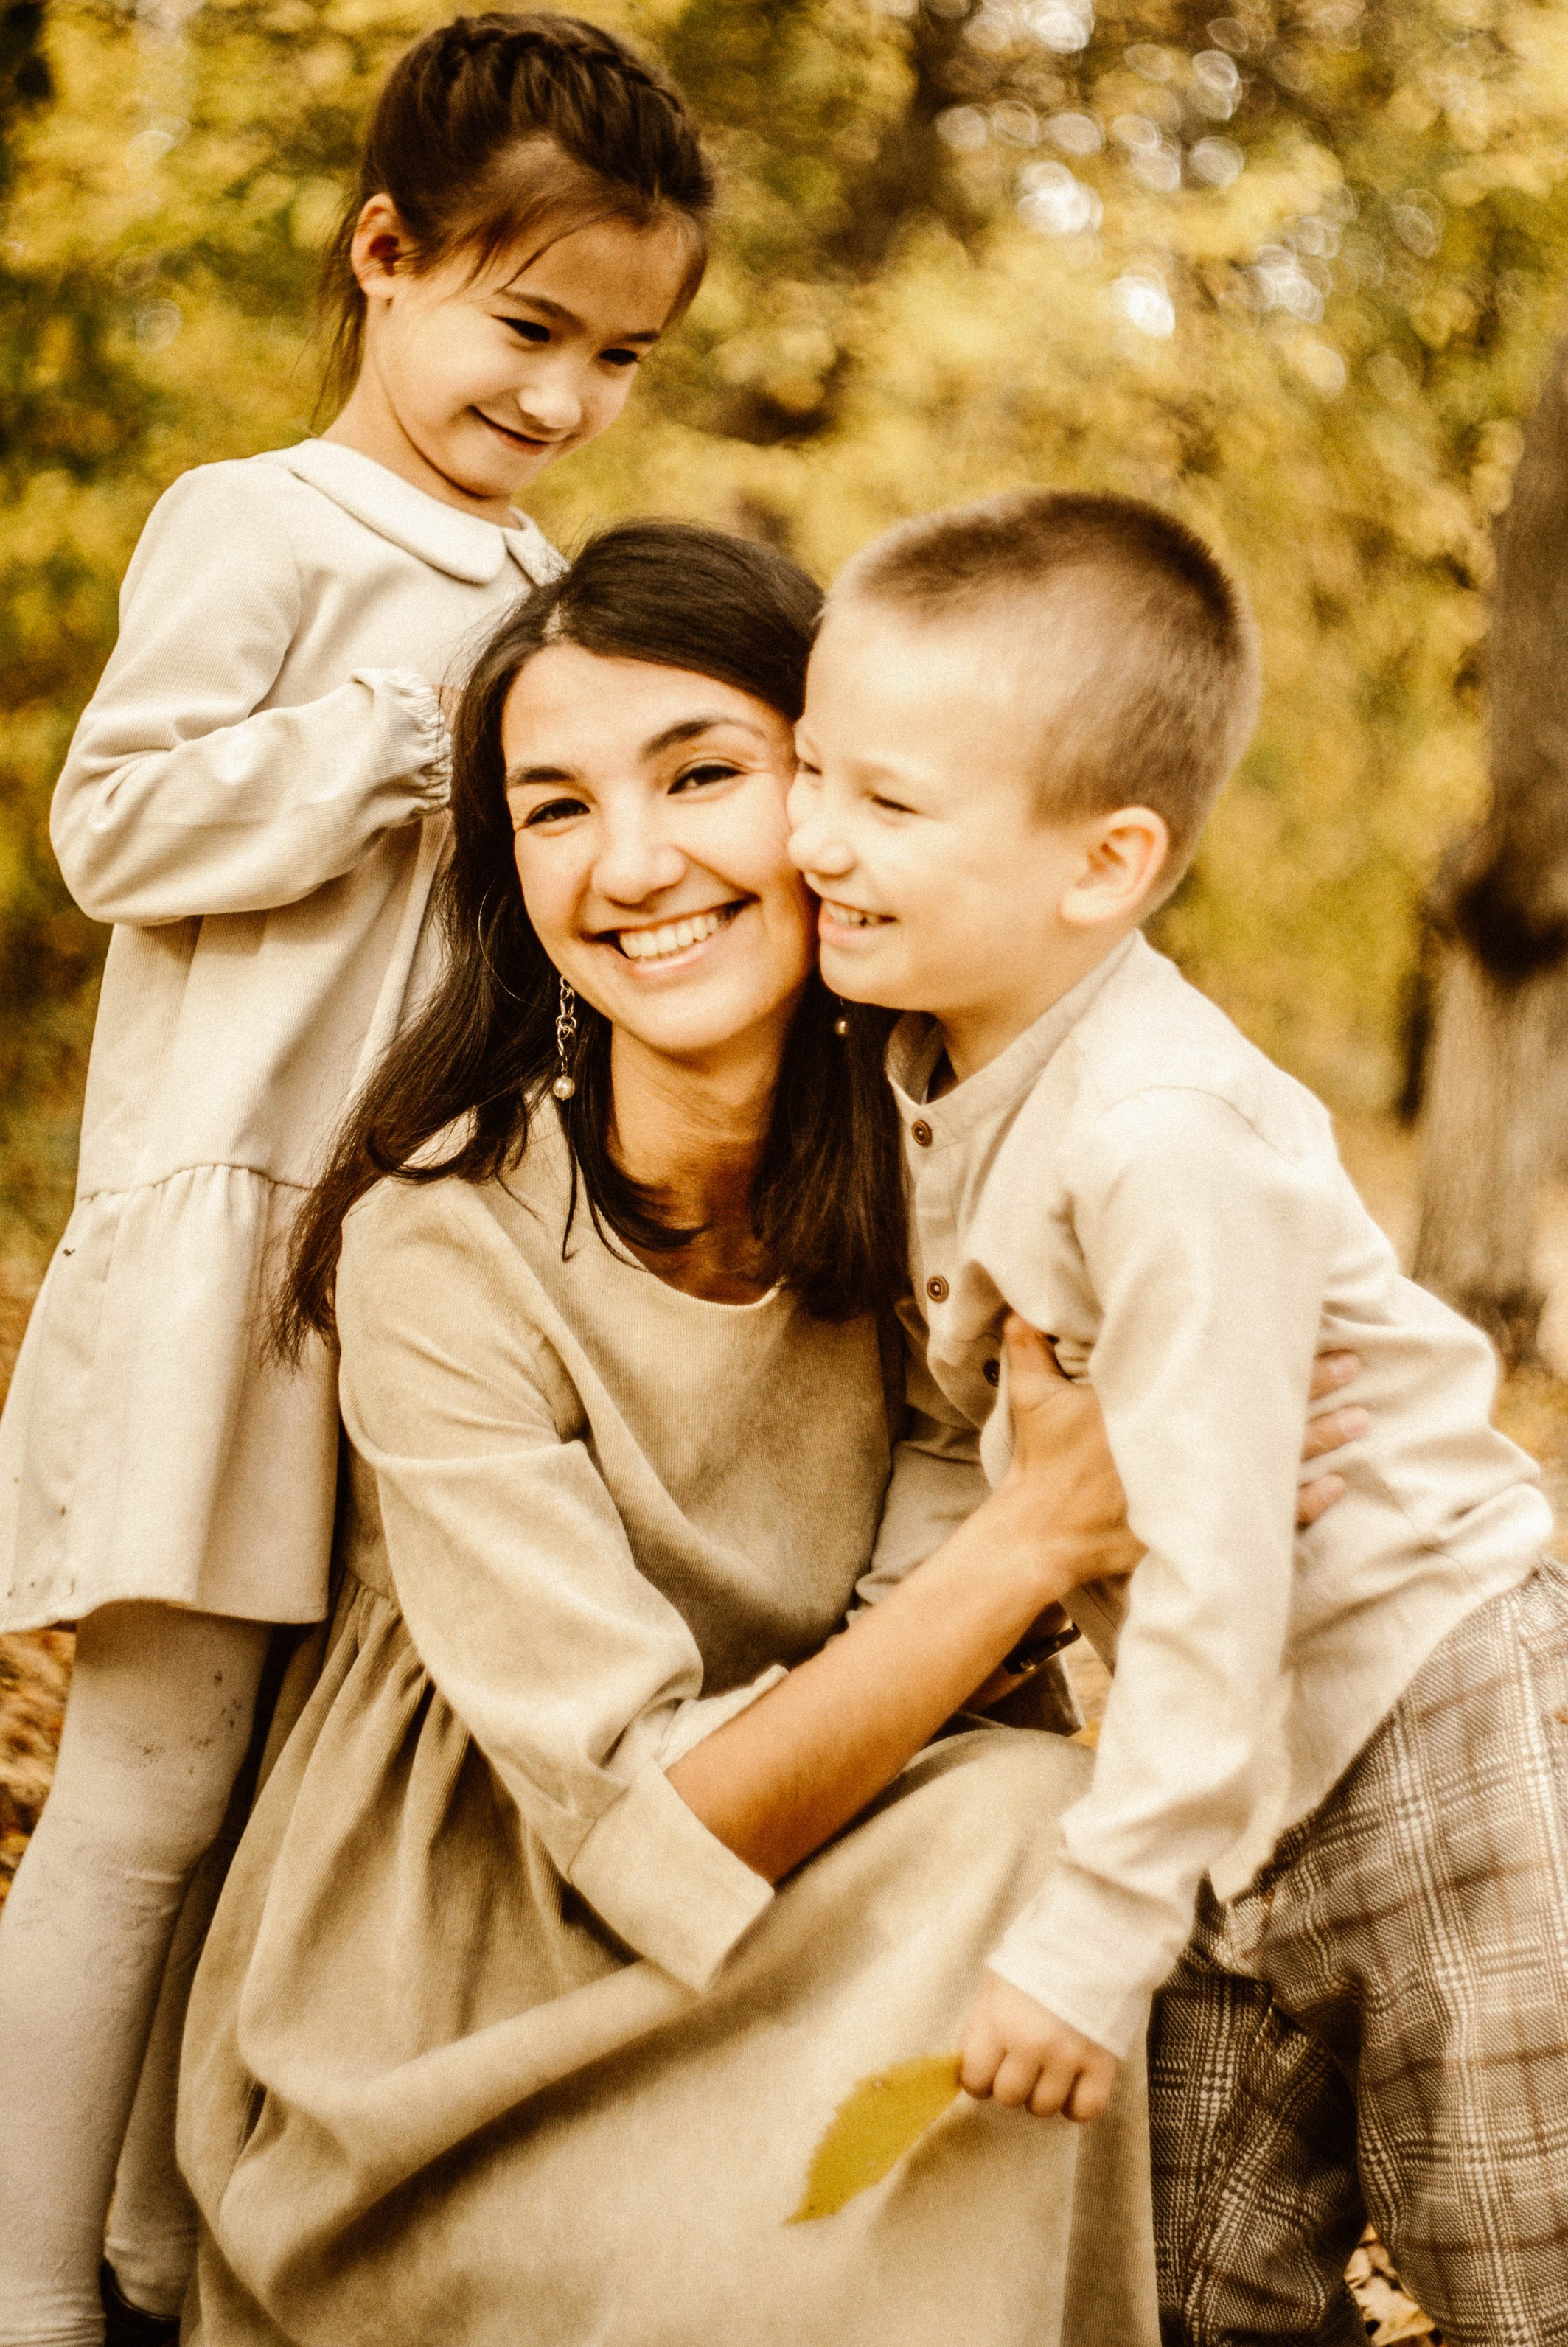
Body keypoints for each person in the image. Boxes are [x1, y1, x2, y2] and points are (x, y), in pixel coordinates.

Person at [175, 522, 1359, 2347]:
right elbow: (643, 1824)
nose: (630, 862)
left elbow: (966, 1671)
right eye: (551, 808)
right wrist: (1034, 1539)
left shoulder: (953, 1169)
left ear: (834, 805)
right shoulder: (448, 1239)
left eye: (702, 774)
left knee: (1063, 1831)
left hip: (839, 1870)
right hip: (476, 1982)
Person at [0, 16, 715, 2347]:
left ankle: (181, 2257)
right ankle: (24, 2301)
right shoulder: (258, 522)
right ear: (385, 258)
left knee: (302, 1814)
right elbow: (117, 823)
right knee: (150, 1800)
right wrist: (425, 721)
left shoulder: (555, 574)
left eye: (620, 355)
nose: (566, 395)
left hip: (430, 1275)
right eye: (527, 328)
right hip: (232, 1238)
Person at [790, 485, 1567, 2346]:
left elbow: (1215, 1561)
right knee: (1183, 2278)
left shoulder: (1159, 1136)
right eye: (811, 771)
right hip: (1216, 1765)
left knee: (1513, 2254)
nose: (811, 840)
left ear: (1105, 863)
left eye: (885, 805)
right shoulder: (924, 1070)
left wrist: (1084, 1931)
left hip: (1427, 1708)